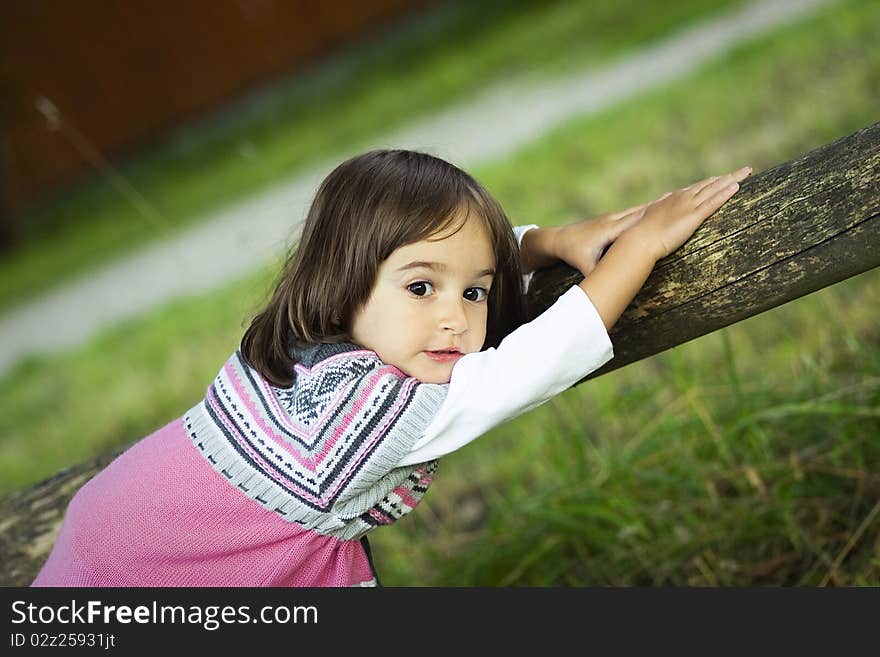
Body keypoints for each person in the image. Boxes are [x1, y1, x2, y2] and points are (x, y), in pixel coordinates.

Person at [32, 149, 750, 587]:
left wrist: (547, 241)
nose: (455, 317)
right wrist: (641, 247)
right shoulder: (372, 416)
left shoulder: (298, 341)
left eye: (475, 291)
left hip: (119, 527)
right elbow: (531, 365)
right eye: (420, 289)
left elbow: (447, 262)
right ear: (345, 280)